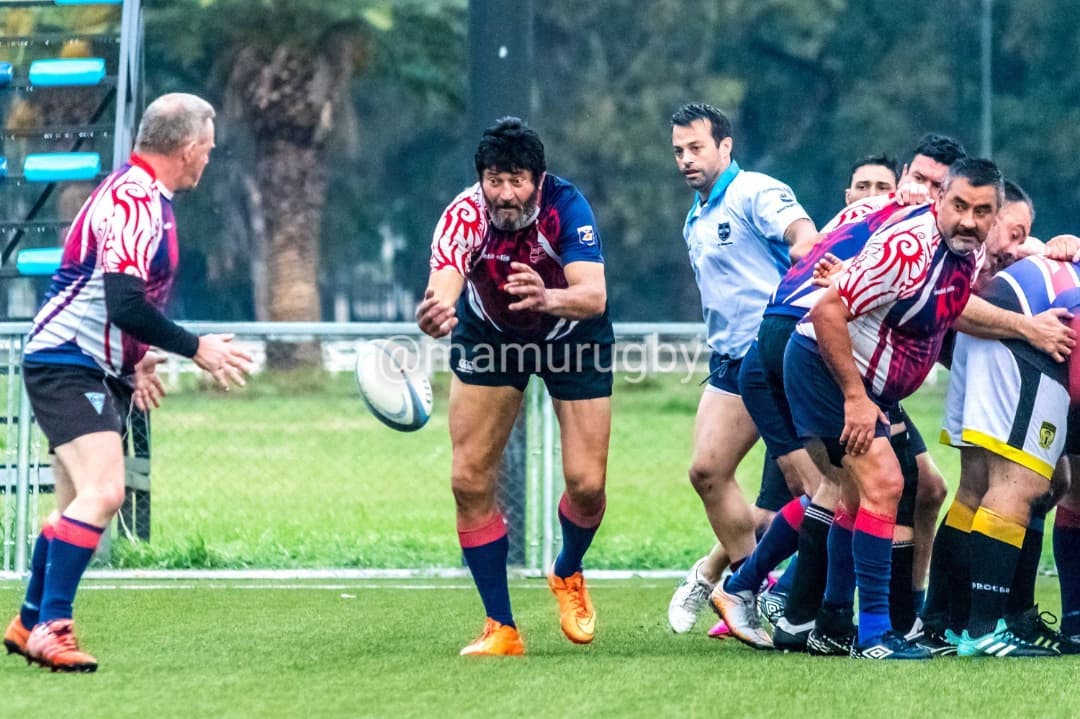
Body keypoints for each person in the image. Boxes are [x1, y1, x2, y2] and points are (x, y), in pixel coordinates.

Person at [2, 93, 252, 672]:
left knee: (75, 505)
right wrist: (198, 349)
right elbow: (124, 301)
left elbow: (112, 300)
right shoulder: (136, 200)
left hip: (88, 362)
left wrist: (135, 359)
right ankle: (52, 631)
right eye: (208, 152)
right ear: (188, 149)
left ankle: (30, 619)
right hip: (69, 361)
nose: (208, 161)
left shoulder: (140, 194)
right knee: (106, 492)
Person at [718, 136, 963, 653]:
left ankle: (800, 607)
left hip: (790, 333)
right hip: (815, 340)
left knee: (849, 489)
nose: (923, 192)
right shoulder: (912, 232)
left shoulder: (877, 213)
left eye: (937, 185)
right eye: (919, 179)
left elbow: (810, 255)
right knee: (871, 485)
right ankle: (832, 615)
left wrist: (846, 275)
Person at [784, 157, 1005, 659]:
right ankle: (876, 636)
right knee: (886, 484)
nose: (968, 220)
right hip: (824, 366)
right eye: (959, 206)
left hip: (867, 382)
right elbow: (826, 310)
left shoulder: (968, 253)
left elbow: (935, 319)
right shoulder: (909, 249)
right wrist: (856, 399)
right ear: (939, 200)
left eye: (982, 210)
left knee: (858, 498)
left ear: (995, 215)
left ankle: (834, 623)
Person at [416, 117, 613, 657]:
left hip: (574, 333)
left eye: (517, 180)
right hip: (493, 335)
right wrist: (437, 311)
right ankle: (501, 626)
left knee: (587, 484)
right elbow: (446, 280)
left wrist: (547, 297)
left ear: (539, 178)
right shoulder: (464, 214)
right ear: (481, 178)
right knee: (468, 478)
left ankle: (567, 570)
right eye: (494, 179)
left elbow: (592, 295)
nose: (505, 194)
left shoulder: (565, 207)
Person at [665, 103, 818, 645]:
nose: (686, 159)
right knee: (707, 472)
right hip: (731, 363)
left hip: (781, 358)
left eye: (697, 148)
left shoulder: (753, 189)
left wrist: (805, 246)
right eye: (679, 150)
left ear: (725, 147)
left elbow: (800, 231)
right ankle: (750, 589)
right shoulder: (696, 217)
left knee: (807, 490)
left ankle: (742, 585)